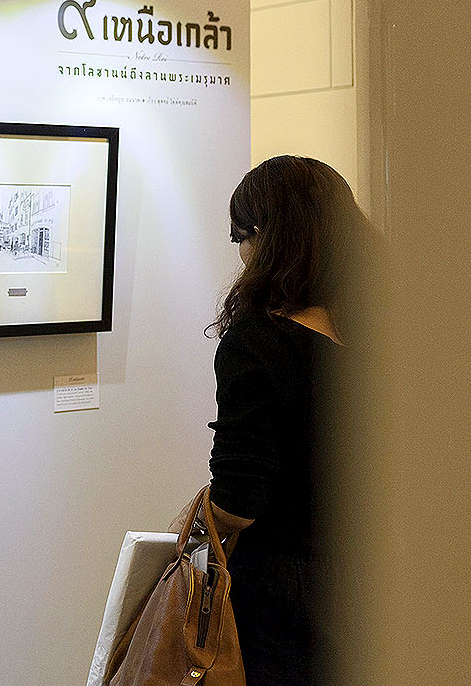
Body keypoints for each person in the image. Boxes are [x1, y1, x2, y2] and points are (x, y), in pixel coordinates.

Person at [169, 155, 378, 685]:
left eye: (242, 236)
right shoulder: (385, 330)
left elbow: (239, 500)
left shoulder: (258, 340)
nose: (241, 254)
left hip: (287, 594)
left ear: (268, 239)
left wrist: (184, 535)